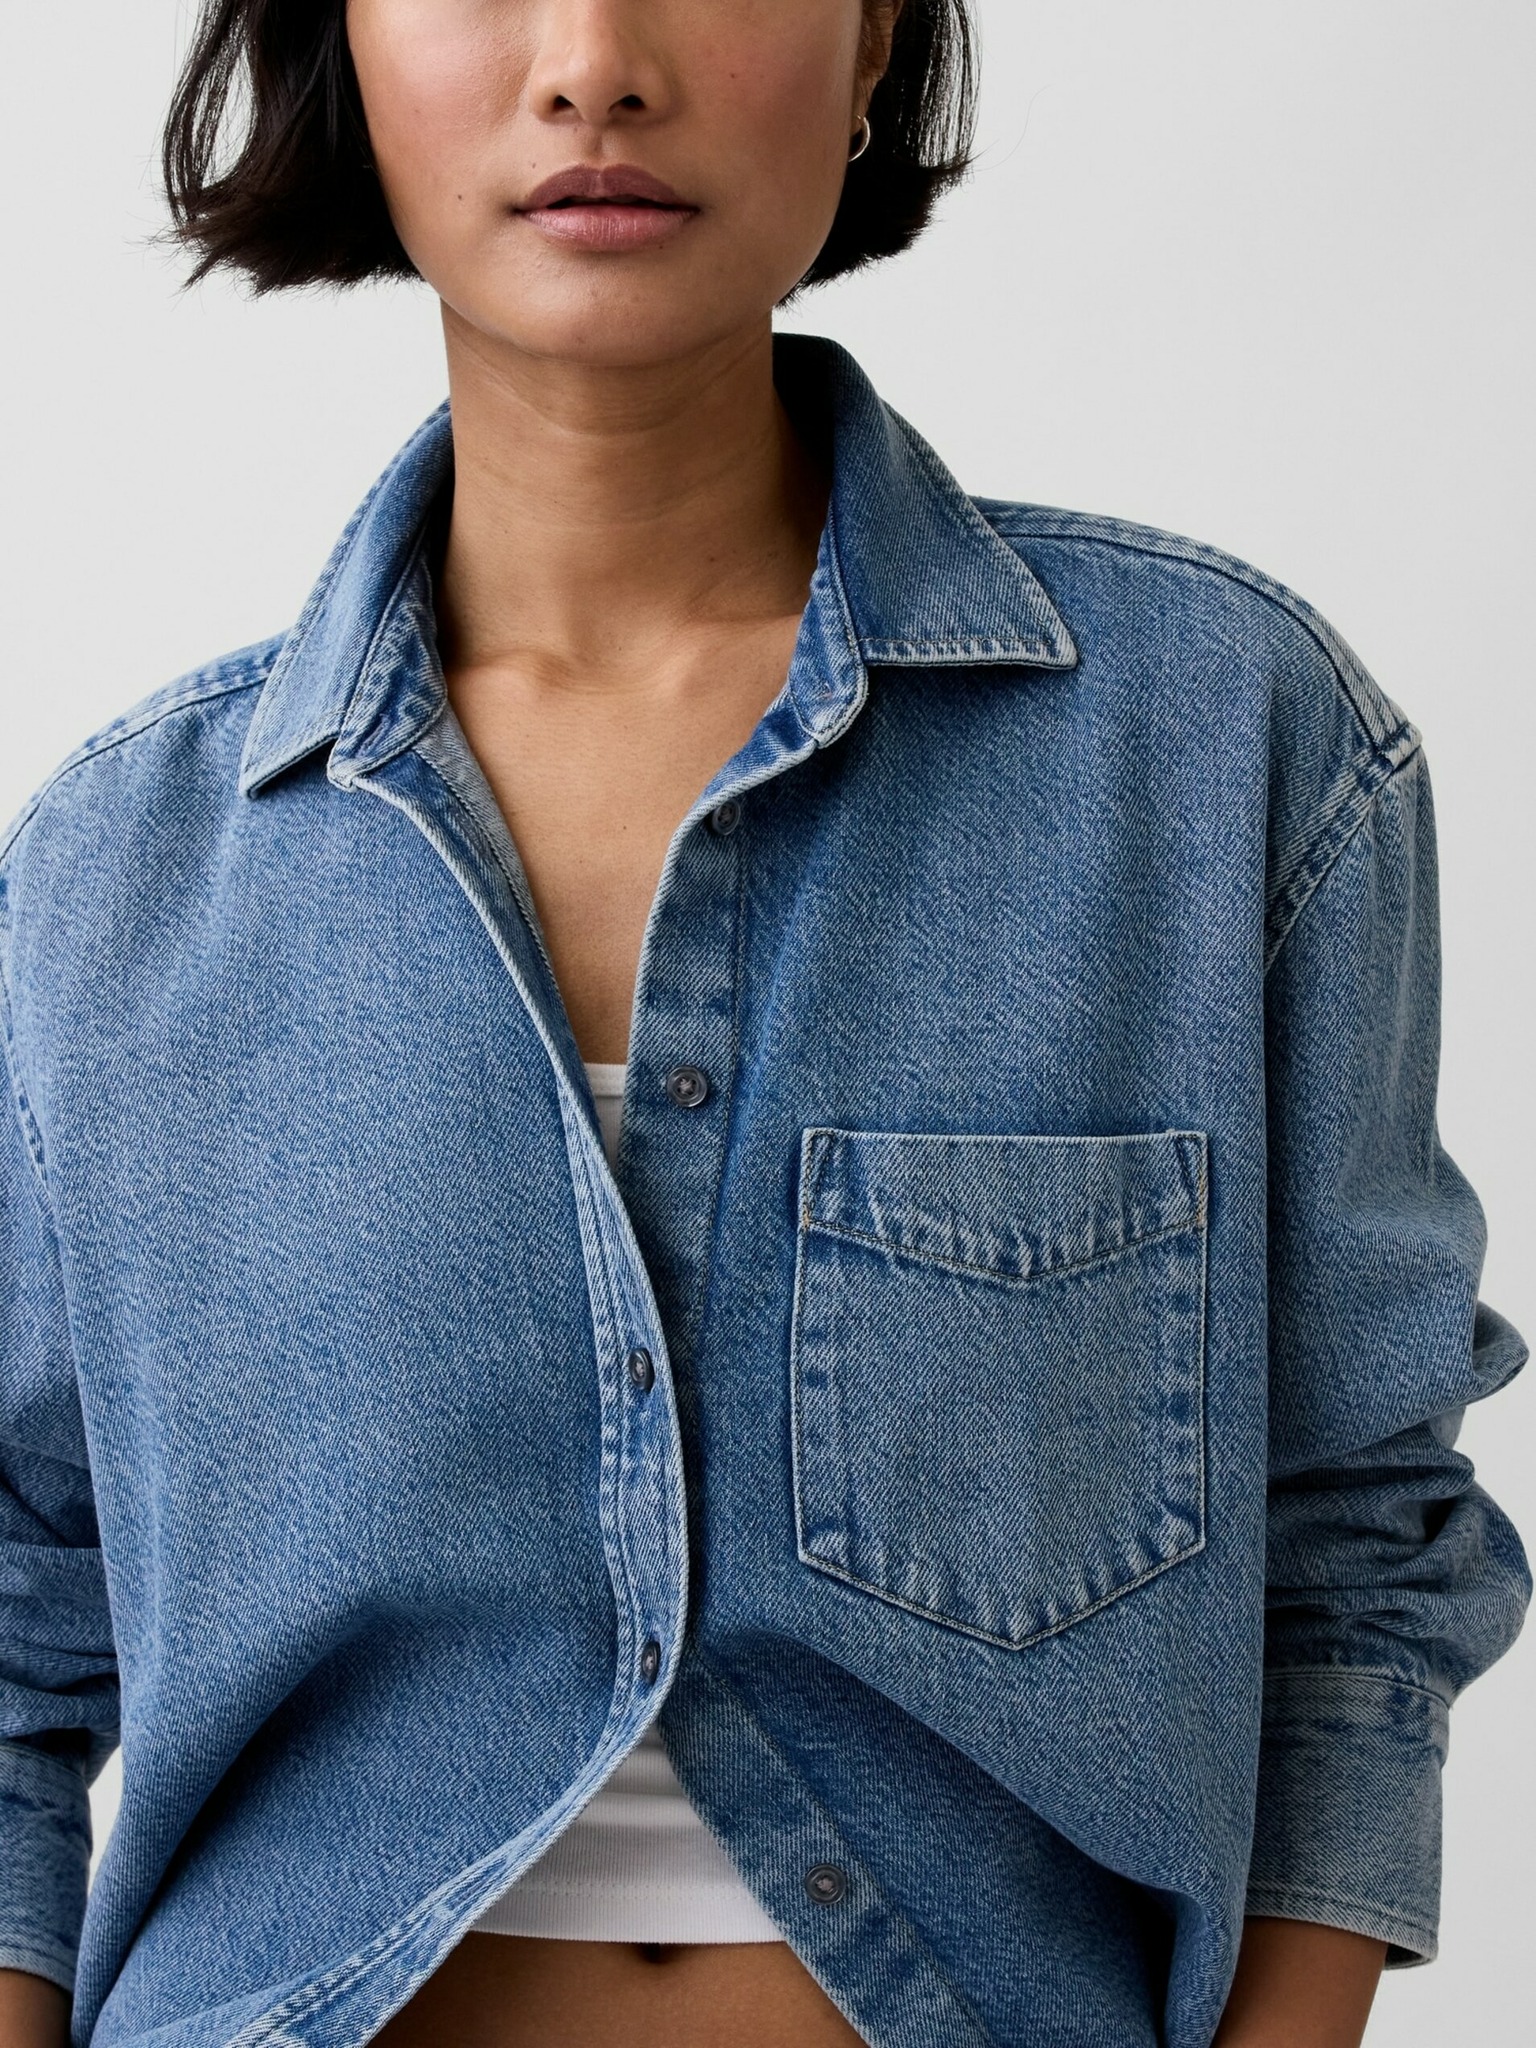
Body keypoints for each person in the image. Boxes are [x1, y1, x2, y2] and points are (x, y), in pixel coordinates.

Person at [0, 3, 1528, 2045]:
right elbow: (15, 1622)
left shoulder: (1218, 747)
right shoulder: (114, 875)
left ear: (876, 37)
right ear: (337, 46)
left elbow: (1351, 1547)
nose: (594, 62)